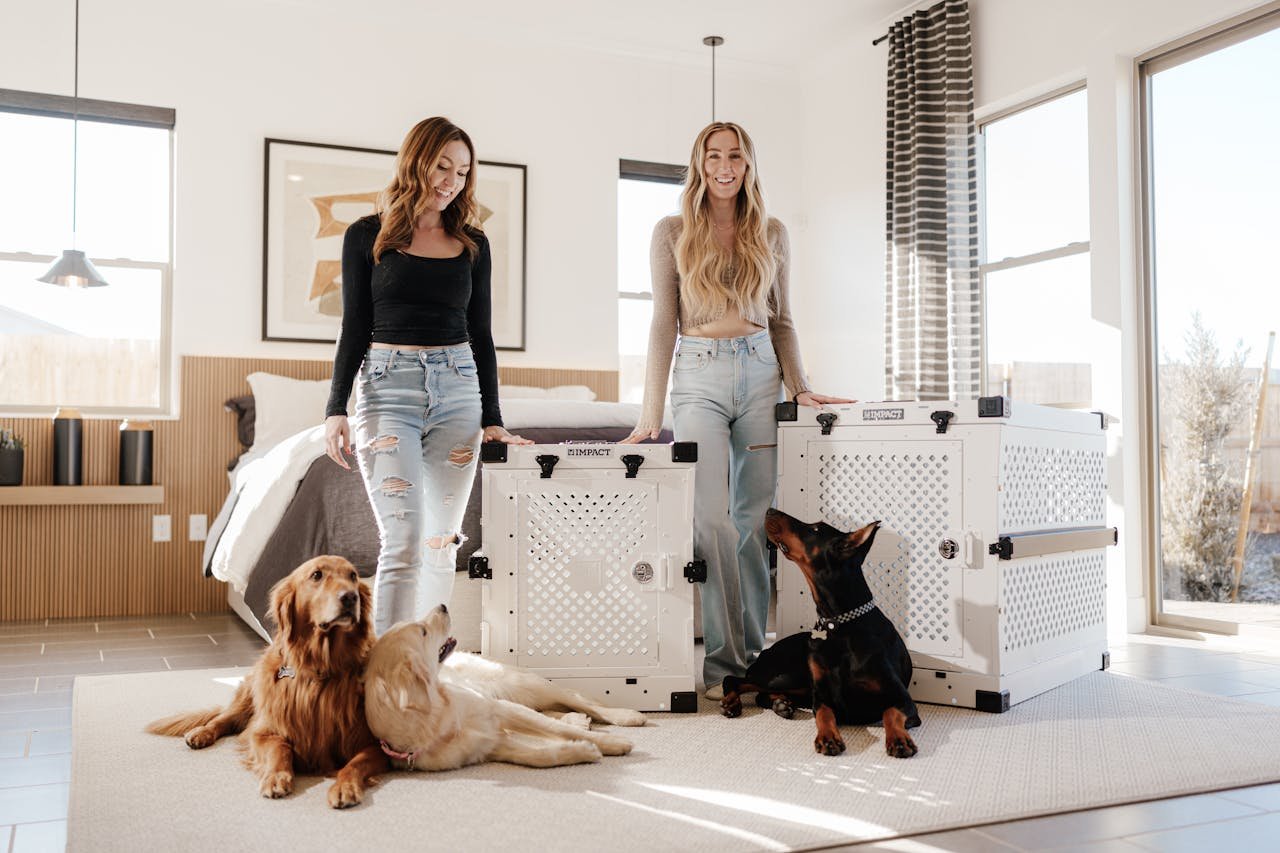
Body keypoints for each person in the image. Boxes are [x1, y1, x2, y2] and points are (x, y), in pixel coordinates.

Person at [622, 121, 853, 698]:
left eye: (736, 156)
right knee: (712, 519)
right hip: (697, 374)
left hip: (759, 376)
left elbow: (782, 319)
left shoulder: (770, 233)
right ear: (699, 164)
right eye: (713, 156)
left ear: (748, 165)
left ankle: (755, 660)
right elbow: (661, 322)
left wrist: (799, 386)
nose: (724, 166)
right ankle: (723, 666)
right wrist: (651, 413)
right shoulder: (671, 231)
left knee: (753, 522)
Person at [324, 116, 530, 636]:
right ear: (416, 160)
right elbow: (355, 327)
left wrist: (493, 418)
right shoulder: (366, 236)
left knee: (442, 540)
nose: (451, 181)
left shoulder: (473, 243)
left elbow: (481, 335)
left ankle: (426, 669)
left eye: (462, 172)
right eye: (442, 165)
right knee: (405, 537)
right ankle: (383, 670)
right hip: (387, 388)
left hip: (458, 387)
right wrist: (334, 408)